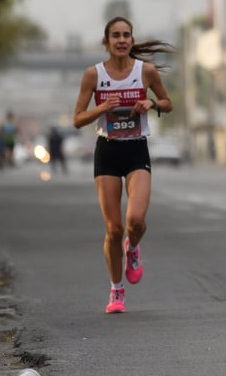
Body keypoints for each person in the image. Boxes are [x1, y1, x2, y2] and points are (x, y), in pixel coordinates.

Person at [72, 17, 174, 314]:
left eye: (126, 35)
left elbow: (167, 102)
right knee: (114, 229)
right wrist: (100, 109)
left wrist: (152, 104)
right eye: (115, 35)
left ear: (131, 40)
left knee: (136, 222)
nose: (121, 40)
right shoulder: (94, 75)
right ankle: (117, 291)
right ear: (106, 42)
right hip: (107, 152)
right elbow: (77, 118)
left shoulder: (146, 72)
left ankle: (133, 247)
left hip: (136, 150)